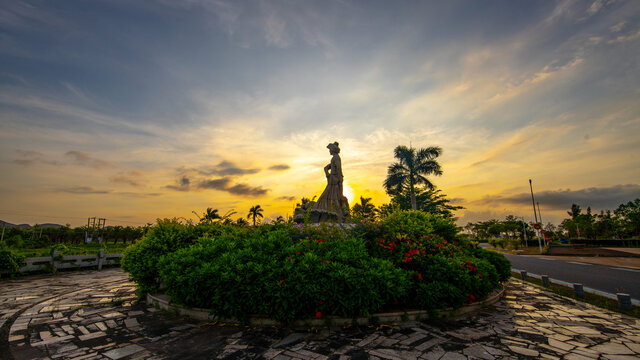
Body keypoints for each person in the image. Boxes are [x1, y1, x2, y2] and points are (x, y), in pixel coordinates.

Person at [310, 142, 350, 222]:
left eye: (330, 149)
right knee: (333, 194)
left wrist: (338, 178)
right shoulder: (335, 158)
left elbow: (337, 168)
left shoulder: (336, 158)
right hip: (334, 178)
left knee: (334, 194)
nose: (329, 151)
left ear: (333, 150)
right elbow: (329, 168)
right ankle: (336, 211)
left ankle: (338, 212)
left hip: (335, 178)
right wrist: (329, 174)